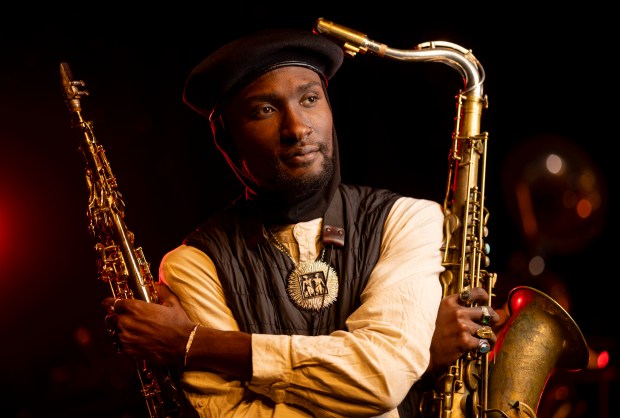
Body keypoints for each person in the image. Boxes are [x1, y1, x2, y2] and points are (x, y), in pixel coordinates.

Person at [103, 27, 499, 418]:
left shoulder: (409, 219)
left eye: (310, 99)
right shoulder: (192, 266)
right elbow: (237, 414)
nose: (297, 128)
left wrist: (194, 344)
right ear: (227, 140)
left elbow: (383, 376)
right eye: (264, 110)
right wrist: (415, 363)